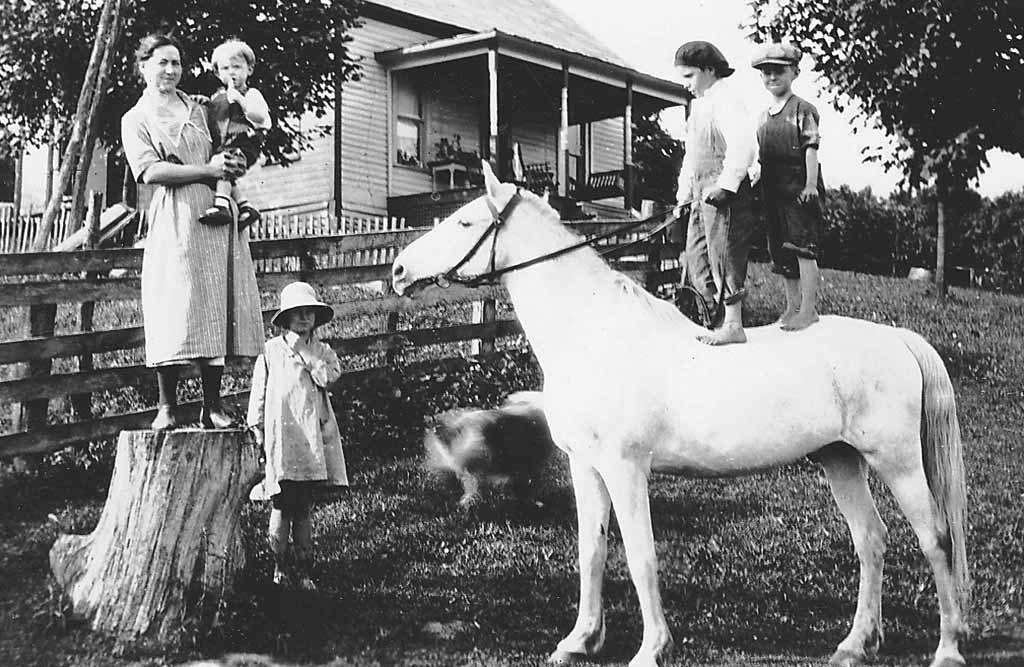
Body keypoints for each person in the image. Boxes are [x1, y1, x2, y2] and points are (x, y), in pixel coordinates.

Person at [121, 33, 265, 431]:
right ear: (144, 66)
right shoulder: (136, 119)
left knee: (213, 304)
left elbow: (233, 139)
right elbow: (150, 172)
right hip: (174, 215)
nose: (170, 71)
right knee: (173, 303)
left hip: (216, 213)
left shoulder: (200, 107)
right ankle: (168, 406)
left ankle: (212, 405)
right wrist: (209, 171)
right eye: (162, 62)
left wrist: (235, 163)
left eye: (176, 63)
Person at [247, 282, 349, 590]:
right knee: (281, 506)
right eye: (296, 313)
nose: (303, 318)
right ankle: (279, 568)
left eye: (309, 313)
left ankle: (304, 570)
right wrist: (258, 428)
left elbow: (328, 378)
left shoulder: (323, 352)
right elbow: (259, 394)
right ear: (285, 319)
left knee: (303, 509)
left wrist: (310, 355)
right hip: (281, 439)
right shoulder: (271, 352)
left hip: (310, 439)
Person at [673, 40, 758, 346]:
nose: (686, 86)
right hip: (699, 193)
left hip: (724, 192)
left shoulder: (726, 100)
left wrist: (726, 185)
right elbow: (691, 157)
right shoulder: (699, 107)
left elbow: (743, 146)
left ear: (710, 70)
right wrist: (683, 195)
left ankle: (734, 324)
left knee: (724, 259)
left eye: (689, 77)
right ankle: (714, 320)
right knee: (697, 262)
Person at [751, 43, 825, 331]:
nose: (772, 77)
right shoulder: (763, 116)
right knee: (780, 248)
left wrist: (809, 185)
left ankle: (808, 309)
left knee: (802, 247)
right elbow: (762, 156)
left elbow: (811, 150)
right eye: (766, 72)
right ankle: (792, 306)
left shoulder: (803, 109)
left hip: (798, 186)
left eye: (778, 71)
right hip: (773, 188)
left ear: (794, 72)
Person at [199, 39, 271, 229]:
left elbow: (261, 117)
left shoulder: (251, 93)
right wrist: (205, 103)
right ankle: (245, 207)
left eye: (237, 67)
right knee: (225, 171)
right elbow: (215, 115)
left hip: (245, 141)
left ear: (249, 70)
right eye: (225, 68)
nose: (231, 72)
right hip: (227, 143)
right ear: (217, 73)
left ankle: (221, 205)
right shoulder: (219, 97)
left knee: (224, 168)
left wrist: (240, 99)